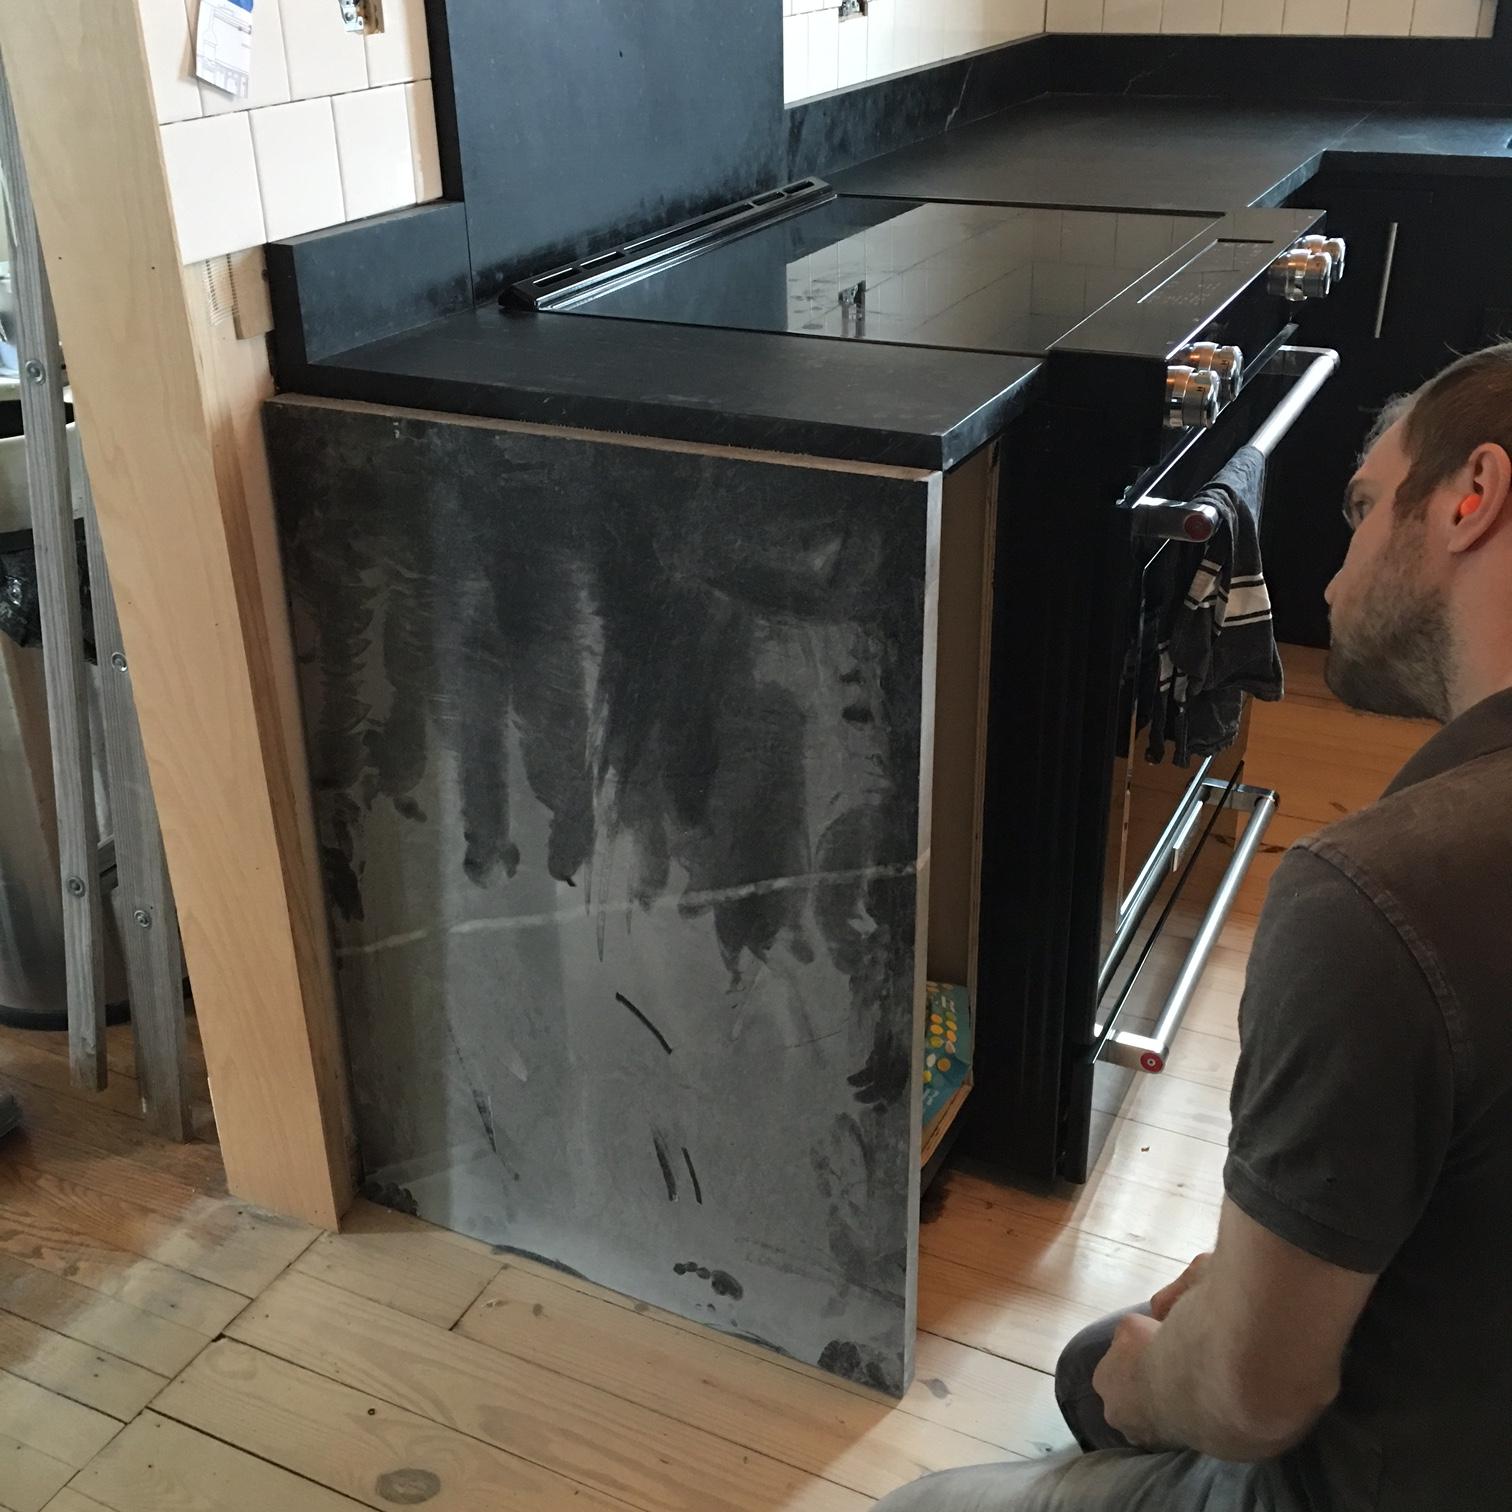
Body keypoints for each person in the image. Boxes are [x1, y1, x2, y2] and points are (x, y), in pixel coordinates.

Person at [876, 342, 1512, 1512]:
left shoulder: (1384, 898)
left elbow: (1250, 1404)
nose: (1334, 564)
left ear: (1473, 497)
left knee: (973, 1466)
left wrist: (1142, 1381)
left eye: (1365, 503)